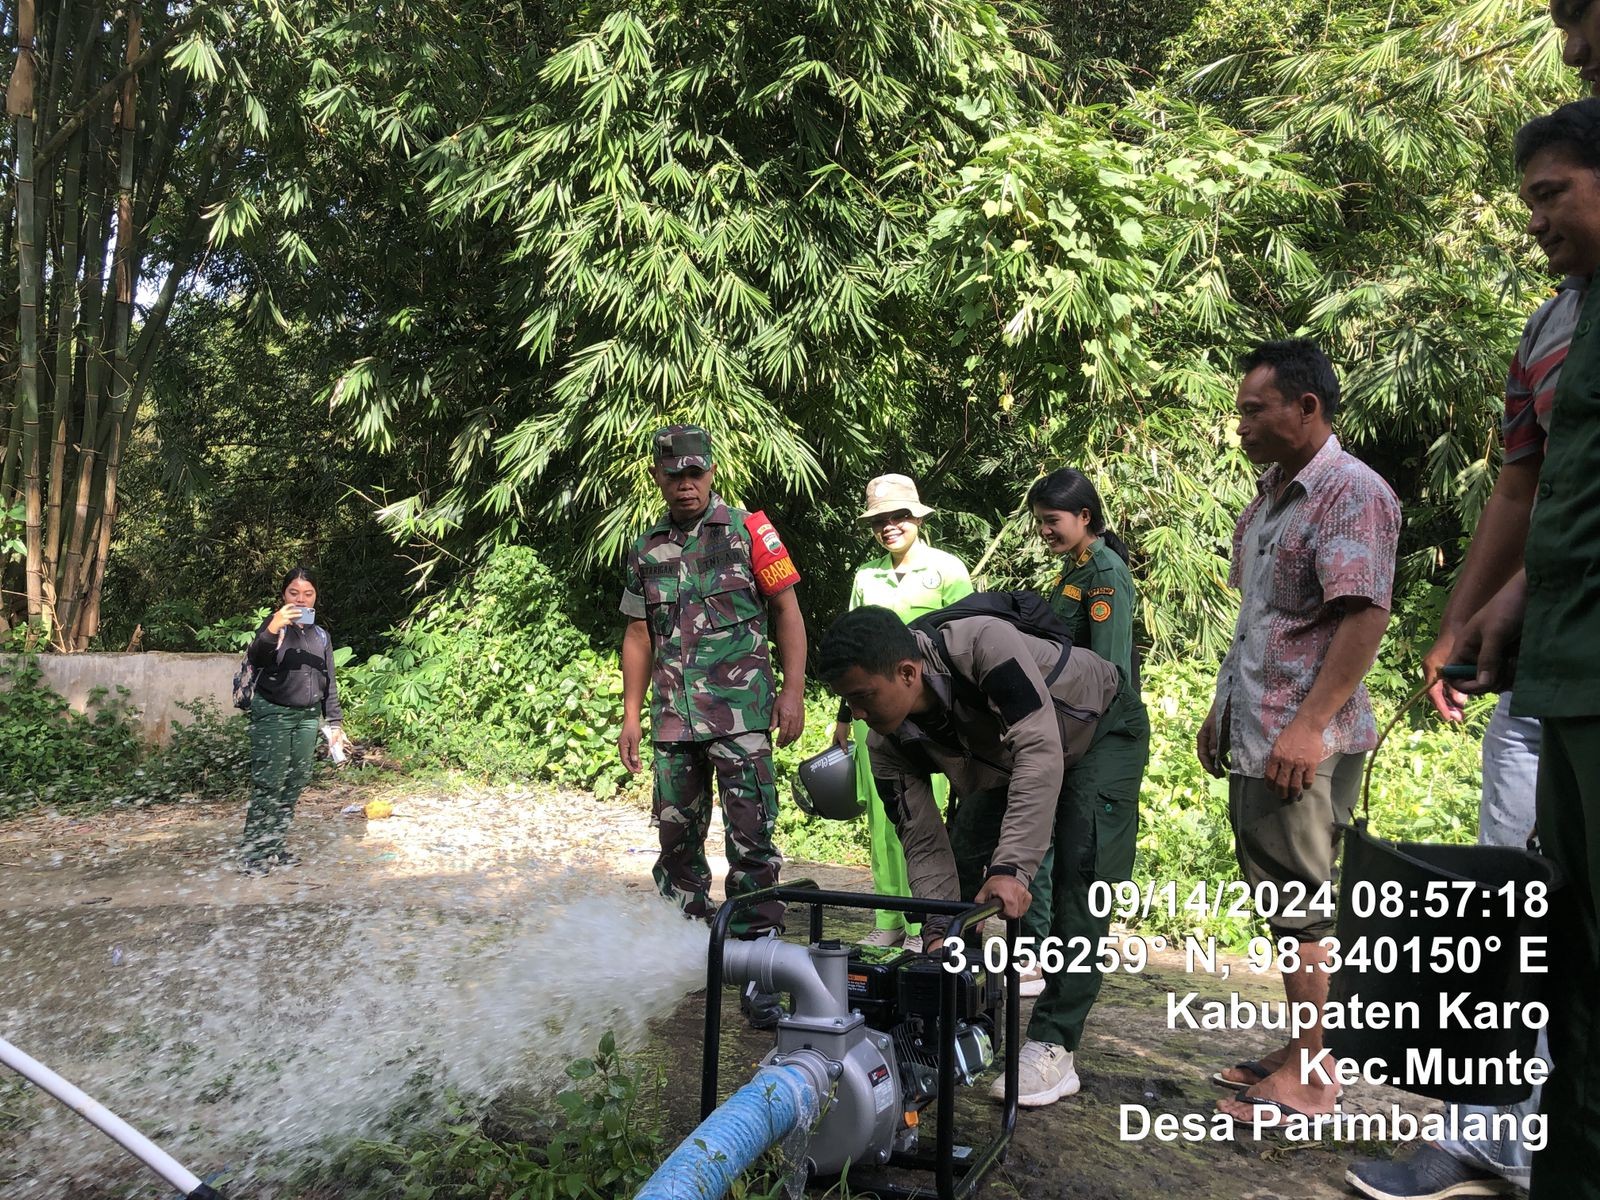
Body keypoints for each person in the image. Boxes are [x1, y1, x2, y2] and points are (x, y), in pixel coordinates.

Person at [1450, 98, 1600, 1198]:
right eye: (1528, 200)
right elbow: (1522, 488)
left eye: (1552, 193)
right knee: (1542, 917)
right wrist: (1471, 615)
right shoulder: (1549, 330)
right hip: (1551, 662)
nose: (1535, 220)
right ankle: (1515, 1134)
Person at [816, 602, 1139, 1108]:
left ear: (906, 672)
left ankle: (1055, 1043)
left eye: (862, 698)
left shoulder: (983, 644)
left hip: (1096, 729)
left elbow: (1038, 747)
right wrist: (937, 932)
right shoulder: (885, 745)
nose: (857, 715)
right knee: (959, 892)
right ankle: (965, 1019)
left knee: (1081, 875)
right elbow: (922, 840)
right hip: (1000, 758)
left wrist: (1013, 868)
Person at [1197, 339, 1401, 1125]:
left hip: (1300, 742)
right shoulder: (1271, 497)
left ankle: (1313, 1081)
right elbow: (1263, 620)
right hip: (1262, 730)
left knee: (1302, 908)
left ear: (1306, 407)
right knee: (1286, 898)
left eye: (1255, 409)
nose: (1241, 424)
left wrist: (1308, 727)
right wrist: (1224, 708)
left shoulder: (1350, 493)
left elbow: (1364, 614)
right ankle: (1304, 1048)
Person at [617, 424, 807, 942]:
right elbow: (638, 634)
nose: (685, 485)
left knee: (751, 837)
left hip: (741, 716)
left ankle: (756, 951)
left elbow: (787, 611)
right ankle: (686, 950)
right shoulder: (646, 550)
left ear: (711, 472)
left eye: (695, 473)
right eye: (674, 475)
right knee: (677, 842)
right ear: (657, 477)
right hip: (674, 721)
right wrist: (631, 717)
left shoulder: (750, 532)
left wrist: (793, 692)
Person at [1014, 468, 1150, 1000]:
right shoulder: (1071, 569)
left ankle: (1055, 967)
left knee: (1077, 859)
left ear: (1084, 517)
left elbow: (1107, 670)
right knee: (1042, 844)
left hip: (1097, 732)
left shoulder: (1105, 571)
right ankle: (1038, 956)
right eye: (1039, 522)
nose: (1044, 530)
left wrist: (1074, 744)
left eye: (1052, 521)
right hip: (1065, 727)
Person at [832, 474, 973, 952]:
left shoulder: (948, 571)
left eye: (898, 517)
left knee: (924, 819)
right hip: (875, 720)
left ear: (917, 518)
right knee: (883, 818)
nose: (890, 527)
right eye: (879, 520)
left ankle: (924, 926)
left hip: (929, 719)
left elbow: (965, 645)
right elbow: (850, 656)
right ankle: (887, 918)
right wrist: (844, 718)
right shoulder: (865, 577)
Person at [240, 567, 347, 875]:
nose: (301, 599)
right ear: (284, 595)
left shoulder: (321, 634)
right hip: (273, 713)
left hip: (307, 717)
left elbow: (329, 680)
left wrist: (335, 723)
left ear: (316, 597)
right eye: (294, 593)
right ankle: (253, 854)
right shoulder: (274, 627)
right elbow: (257, 657)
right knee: (268, 784)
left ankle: (274, 846)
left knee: (294, 783)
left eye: (308, 593)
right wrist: (274, 625)